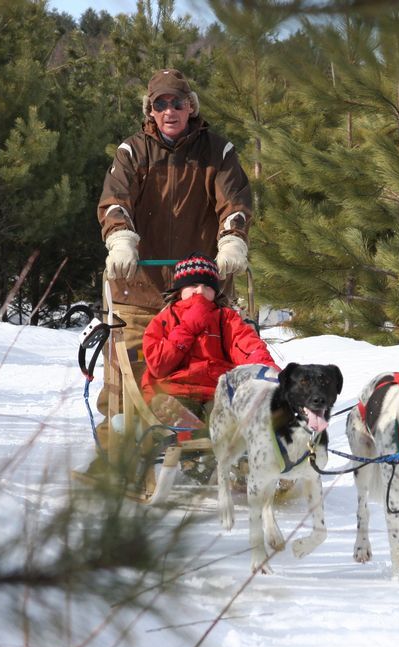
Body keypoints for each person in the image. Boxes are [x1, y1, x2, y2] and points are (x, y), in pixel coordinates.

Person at [92, 67, 253, 456]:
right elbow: (116, 201)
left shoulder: (218, 152)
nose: (169, 111)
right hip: (138, 288)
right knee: (129, 379)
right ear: (150, 110)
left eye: (177, 103)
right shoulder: (133, 151)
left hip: (198, 291)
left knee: (205, 373)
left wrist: (232, 242)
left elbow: (234, 203)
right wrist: (121, 241)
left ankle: (207, 446)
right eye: (160, 104)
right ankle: (121, 452)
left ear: (190, 107)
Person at [142, 253, 277, 439]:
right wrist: (189, 326)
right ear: (180, 290)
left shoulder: (225, 318)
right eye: (193, 285)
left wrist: (267, 370)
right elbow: (158, 365)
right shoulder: (164, 320)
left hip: (217, 390)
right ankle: (194, 447)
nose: (200, 291)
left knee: (226, 414)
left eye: (207, 286)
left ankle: (205, 442)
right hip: (175, 388)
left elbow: (246, 345)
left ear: (215, 292)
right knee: (172, 408)